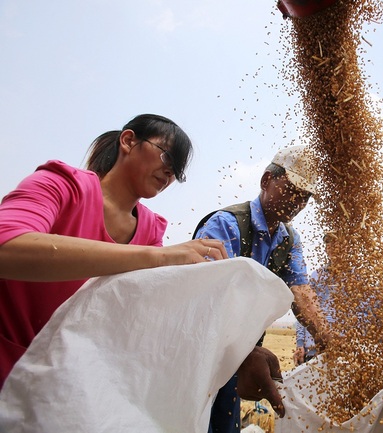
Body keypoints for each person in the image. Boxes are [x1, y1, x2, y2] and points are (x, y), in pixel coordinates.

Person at [0, 114, 231, 389]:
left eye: (177, 171)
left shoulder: (150, 229)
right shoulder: (63, 184)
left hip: (63, 383)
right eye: (168, 158)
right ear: (128, 140)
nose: (170, 174)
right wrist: (157, 257)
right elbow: (7, 246)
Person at [194, 145, 331, 433]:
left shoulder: (289, 240)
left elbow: (301, 292)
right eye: (292, 190)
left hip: (238, 358)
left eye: (305, 197)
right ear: (266, 180)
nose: (298, 202)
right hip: (201, 355)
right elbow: (208, 299)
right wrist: (244, 351)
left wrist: (327, 338)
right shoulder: (226, 225)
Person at [293, 231, 337, 366]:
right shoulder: (316, 276)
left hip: (338, 350)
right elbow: (303, 309)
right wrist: (300, 344)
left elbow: (362, 317)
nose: (331, 247)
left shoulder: (356, 278)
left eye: (336, 243)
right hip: (312, 350)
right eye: (328, 244)